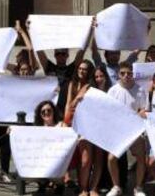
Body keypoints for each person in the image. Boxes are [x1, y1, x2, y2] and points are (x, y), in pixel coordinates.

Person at [106, 61, 147, 196]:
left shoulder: (140, 90)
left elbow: (144, 110)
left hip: (135, 131)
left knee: (141, 158)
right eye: (123, 73)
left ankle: (138, 188)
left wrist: (142, 113)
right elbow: (108, 111)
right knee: (111, 159)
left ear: (133, 74)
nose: (126, 76)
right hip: (118, 131)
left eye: (129, 73)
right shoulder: (112, 91)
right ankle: (117, 186)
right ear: (119, 75)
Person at [63, 59, 95, 196]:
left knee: (85, 159)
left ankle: (84, 188)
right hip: (70, 121)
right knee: (68, 154)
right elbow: (68, 103)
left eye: (85, 69)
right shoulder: (72, 83)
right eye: (80, 68)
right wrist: (65, 120)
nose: (82, 71)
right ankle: (66, 180)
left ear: (89, 72)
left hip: (85, 124)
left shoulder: (91, 86)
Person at [89, 65, 112, 195]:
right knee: (92, 159)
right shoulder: (90, 91)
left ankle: (97, 186)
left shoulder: (112, 91)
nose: (99, 79)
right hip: (93, 128)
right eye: (96, 76)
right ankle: (90, 186)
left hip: (107, 129)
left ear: (105, 77)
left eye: (101, 76)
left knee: (101, 158)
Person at [33, 100, 64, 194]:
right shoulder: (37, 129)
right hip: (41, 159)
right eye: (43, 111)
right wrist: (13, 129)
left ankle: (59, 185)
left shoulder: (61, 125)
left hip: (57, 159)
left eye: (49, 110)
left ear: (54, 111)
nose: (46, 112)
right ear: (40, 115)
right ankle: (42, 183)